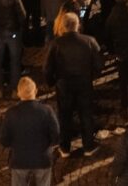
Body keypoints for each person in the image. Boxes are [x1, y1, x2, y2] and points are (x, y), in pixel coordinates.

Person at [44, 12, 104, 157]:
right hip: (84, 82)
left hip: (64, 84)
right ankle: (88, 145)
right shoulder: (89, 41)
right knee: (86, 113)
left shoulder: (56, 44)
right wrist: (91, 76)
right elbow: (99, 65)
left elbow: (47, 67)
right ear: (77, 25)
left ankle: (65, 147)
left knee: (65, 115)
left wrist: (51, 82)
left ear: (63, 26)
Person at [0, 77, 60, 186]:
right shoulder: (47, 111)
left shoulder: (11, 113)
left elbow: (4, 141)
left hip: (19, 160)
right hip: (42, 159)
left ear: (19, 93)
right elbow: (56, 136)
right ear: (36, 91)